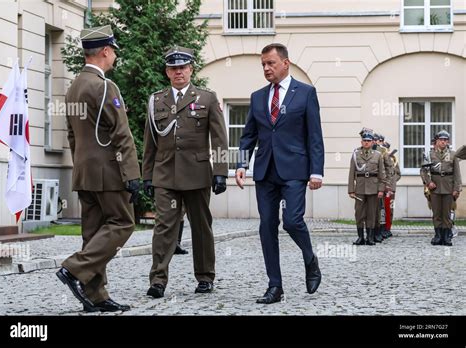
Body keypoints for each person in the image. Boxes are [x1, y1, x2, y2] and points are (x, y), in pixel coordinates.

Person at [56, 25, 140, 312]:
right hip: (108, 171)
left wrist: (80, 165)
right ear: (105, 51)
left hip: (83, 172)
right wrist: (132, 174)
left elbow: (71, 135)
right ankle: (74, 267)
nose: (114, 56)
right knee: (123, 223)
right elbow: (121, 134)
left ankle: (97, 296)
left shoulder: (74, 87)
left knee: (92, 233)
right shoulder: (105, 86)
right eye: (114, 50)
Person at [235, 43, 324, 304]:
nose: (266, 68)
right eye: (263, 64)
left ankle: (310, 259)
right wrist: (241, 164)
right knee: (266, 227)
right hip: (265, 171)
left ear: (285, 63)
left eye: (270, 63)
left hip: (295, 169)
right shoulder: (257, 96)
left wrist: (316, 171)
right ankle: (275, 286)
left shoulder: (306, 93)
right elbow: (248, 135)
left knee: (293, 221)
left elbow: (314, 136)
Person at [142, 46, 229, 298]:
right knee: (163, 228)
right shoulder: (157, 100)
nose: (178, 71)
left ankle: (204, 276)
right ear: (167, 71)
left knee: (201, 227)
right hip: (165, 175)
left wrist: (220, 172)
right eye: (173, 68)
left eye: (183, 67)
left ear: (191, 69)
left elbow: (220, 139)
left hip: (197, 174)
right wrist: (147, 175)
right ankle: (158, 280)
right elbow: (150, 142)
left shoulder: (207, 98)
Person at [420, 130, 462, 246]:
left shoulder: (453, 155)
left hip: (449, 187)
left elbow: (457, 173)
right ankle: (438, 235)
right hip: (435, 187)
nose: (443, 142)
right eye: (441, 140)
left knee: (447, 214)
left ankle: (447, 236)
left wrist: (457, 188)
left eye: (445, 140)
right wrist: (428, 183)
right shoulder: (430, 154)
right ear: (437, 141)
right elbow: (423, 171)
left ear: (447, 141)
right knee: (437, 213)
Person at [348, 131, 386, 245]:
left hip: (373, 188)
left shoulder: (377, 155)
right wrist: (351, 189)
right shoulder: (356, 154)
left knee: (371, 213)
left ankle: (370, 237)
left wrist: (381, 189)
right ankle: (360, 237)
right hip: (359, 188)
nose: (366, 143)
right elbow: (351, 173)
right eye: (364, 141)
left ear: (372, 142)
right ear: (361, 142)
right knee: (359, 213)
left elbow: (382, 174)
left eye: (368, 141)